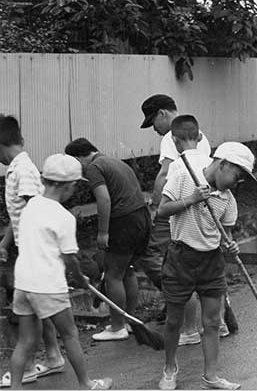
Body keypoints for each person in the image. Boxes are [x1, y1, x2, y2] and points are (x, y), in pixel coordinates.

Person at [157, 116, 252, 390]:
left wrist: (231, 246)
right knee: (174, 320)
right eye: (237, 175)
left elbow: (226, 235)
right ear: (223, 165)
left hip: (211, 261)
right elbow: (162, 210)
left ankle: (211, 376)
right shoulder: (185, 175)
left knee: (212, 321)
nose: (237, 182)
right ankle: (169, 368)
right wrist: (192, 200)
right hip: (180, 257)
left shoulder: (228, 200)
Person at [9, 153, 112, 390]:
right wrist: (80, 279)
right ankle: (86, 384)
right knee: (69, 334)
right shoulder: (63, 217)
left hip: (23, 284)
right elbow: (69, 259)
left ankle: (15, 388)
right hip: (47, 286)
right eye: (75, 184)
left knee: (25, 342)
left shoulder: (30, 206)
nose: (75, 189)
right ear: (66, 186)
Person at [139, 94, 218, 346]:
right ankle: (222, 324)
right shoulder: (200, 135)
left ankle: (189, 329)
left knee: (178, 268)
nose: (154, 129)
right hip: (203, 206)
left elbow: (164, 175)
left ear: (163, 114)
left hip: (178, 206)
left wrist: (155, 205)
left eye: (153, 122)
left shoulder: (171, 137)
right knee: (205, 266)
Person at [0, 115, 65, 387]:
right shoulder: (20, 167)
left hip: (29, 252)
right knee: (39, 308)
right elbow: (19, 215)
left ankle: (26, 367)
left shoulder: (22, 170)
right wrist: (4, 242)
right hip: (24, 248)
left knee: (23, 312)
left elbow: (33, 209)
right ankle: (52, 356)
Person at [65, 138, 151, 341]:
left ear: (78, 158)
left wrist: (103, 232)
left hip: (124, 221)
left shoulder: (95, 167)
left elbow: (104, 199)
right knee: (127, 271)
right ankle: (129, 320)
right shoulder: (114, 161)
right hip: (142, 218)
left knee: (113, 274)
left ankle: (117, 326)